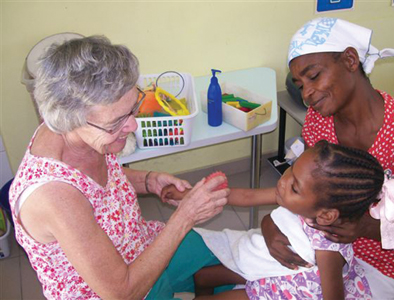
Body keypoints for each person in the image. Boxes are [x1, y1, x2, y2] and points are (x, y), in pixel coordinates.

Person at [8, 36, 230, 300]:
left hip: (138, 243)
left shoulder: (83, 133)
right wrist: (185, 217)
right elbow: (121, 292)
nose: (133, 126)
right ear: (70, 120)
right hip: (119, 289)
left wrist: (148, 180)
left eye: (133, 107)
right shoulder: (53, 197)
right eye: (116, 122)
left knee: (230, 261)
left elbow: (93, 182)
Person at [260, 17, 394, 299]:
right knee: (250, 278)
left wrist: (362, 227)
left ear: (350, 60)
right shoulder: (318, 121)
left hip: (382, 262)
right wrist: (270, 224)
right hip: (323, 243)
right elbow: (306, 189)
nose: (307, 94)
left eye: (314, 76)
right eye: (299, 84)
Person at [161, 140, 394, 299]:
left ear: (326, 215)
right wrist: (190, 195)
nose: (282, 181)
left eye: (295, 186)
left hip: (283, 291)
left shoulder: (329, 248)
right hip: (271, 268)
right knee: (202, 277)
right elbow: (245, 195)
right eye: (291, 169)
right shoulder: (300, 198)